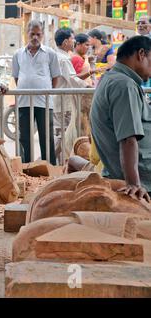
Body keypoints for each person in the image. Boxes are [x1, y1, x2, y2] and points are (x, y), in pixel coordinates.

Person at [90, 36, 151, 202]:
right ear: (141, 54)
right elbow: (128, 139)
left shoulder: (112, 79)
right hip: (144, 179)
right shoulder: (124, 85)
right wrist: (134, 184)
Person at [12, 20, 61, 165]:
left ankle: (49, 168)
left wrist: (46, 91)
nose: (35, 37)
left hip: (44, 101)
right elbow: (16, 76)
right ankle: (25, 168)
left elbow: (55, 77)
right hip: (24, 102)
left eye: (38, 34)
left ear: (43, 35)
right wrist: (25, 86)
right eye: (32, 34)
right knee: (24, 137)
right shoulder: (18, 54)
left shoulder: (50, 53)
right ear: (26, 34)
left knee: (46, 137)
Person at [53, 28, 91, 163]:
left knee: (61, 132)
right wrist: (87, 86)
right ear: (65, 42)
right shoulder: (63, 59)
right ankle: (50, 159)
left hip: (58, 100)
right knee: (64, 133)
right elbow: (73, 79)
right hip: (64, 102)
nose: (74, 42)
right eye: (72, 39)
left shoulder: (55, 55)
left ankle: (54, 160)